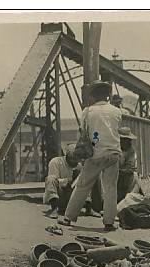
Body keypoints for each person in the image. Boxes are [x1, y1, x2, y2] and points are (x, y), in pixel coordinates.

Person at [59, 80, 122, 231]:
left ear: (93, 96)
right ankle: (109, 222)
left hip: (95, 154)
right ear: (107, 96)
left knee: (83, 186)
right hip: (113, 153)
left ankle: (68, 218)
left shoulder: (87, 111)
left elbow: (83, 133)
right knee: (111, 188)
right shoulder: (116, 111)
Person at [117, 126, 138, 203]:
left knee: (135, 176)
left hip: (123, 175)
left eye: (130, 140)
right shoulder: (114, 147)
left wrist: (120, 170)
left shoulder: (131, 150)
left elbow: (131, 167)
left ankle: (126, 200)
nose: (129, 142)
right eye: (127, 140)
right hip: (111, 175)